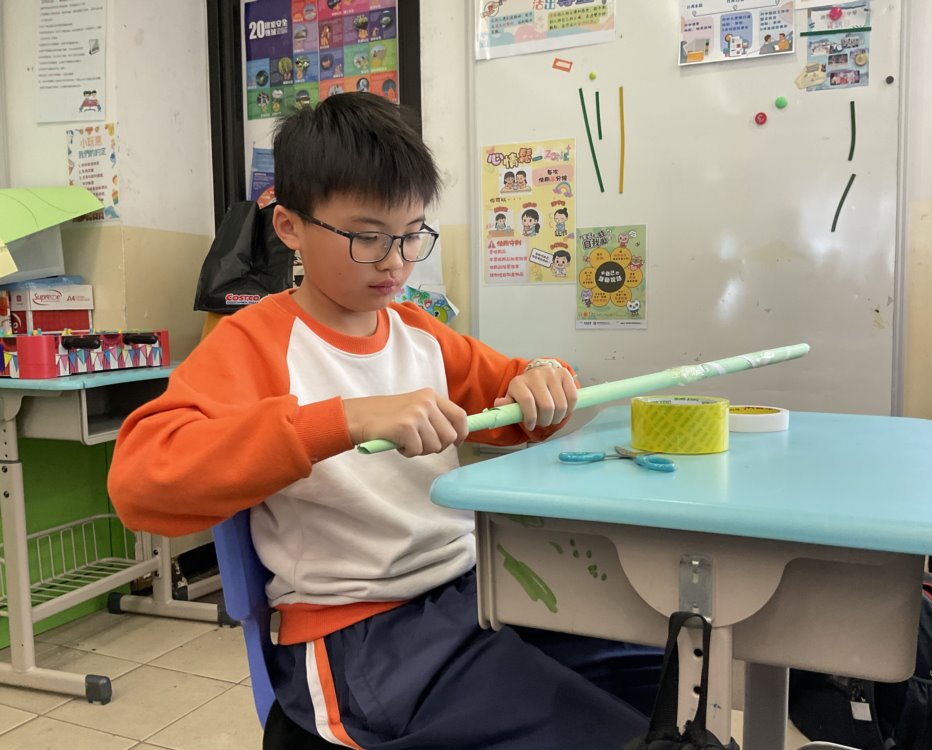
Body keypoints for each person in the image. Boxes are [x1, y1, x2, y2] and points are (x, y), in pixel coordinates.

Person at [108, 92, 660, 749]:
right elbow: (140, 483)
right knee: (614, 736)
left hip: (471, 592)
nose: (396, 261)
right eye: (367, 237)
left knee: (669, 678)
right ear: (289, 227)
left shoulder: (418, 332)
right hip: (359, 632)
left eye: (411, 235)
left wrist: (543, 375)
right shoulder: (253, 343)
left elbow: (513, 392)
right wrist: (343, 420)